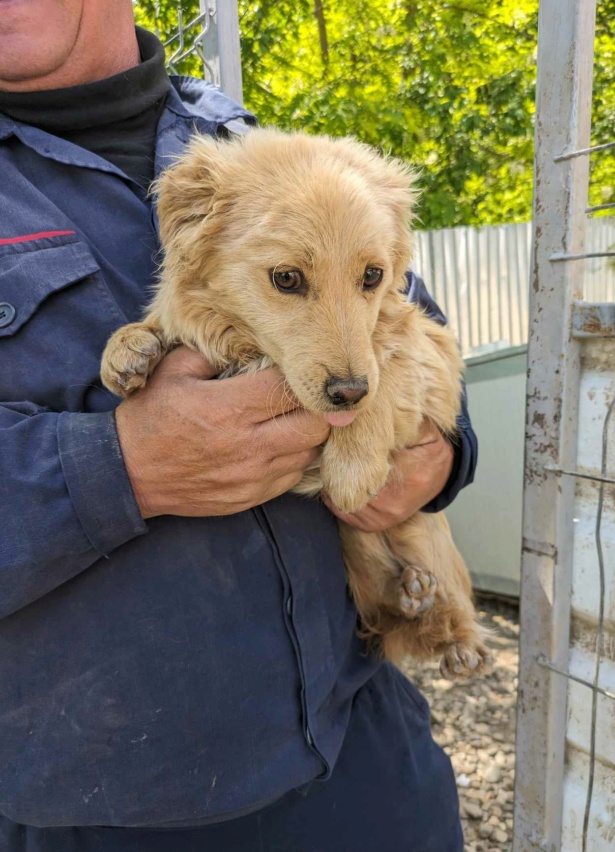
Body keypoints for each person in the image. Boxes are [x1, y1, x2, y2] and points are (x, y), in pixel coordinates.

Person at [0, 2, 477, 850]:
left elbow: (408, 323)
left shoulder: (266, 143)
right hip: (101, 808)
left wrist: (435, 453)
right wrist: (121, 465)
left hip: (363, 759)